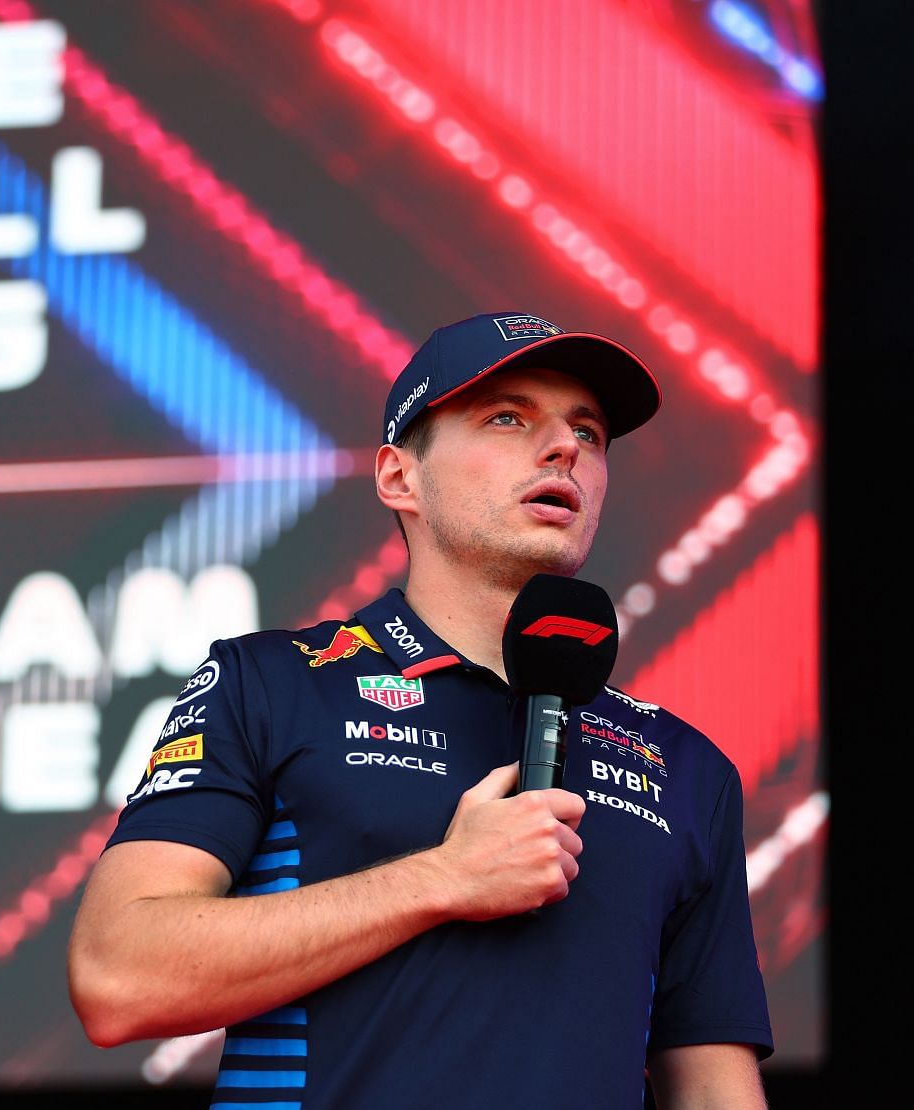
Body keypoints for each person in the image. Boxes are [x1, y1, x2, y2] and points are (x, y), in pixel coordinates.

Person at [68, 313, 772, 1107]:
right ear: (399, 477)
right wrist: (443, 878)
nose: (565, 448)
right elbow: (117, 976)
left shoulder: (685, 767)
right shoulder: (272, 682)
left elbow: (714, 1086)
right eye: (507, 417)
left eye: (589, 431)